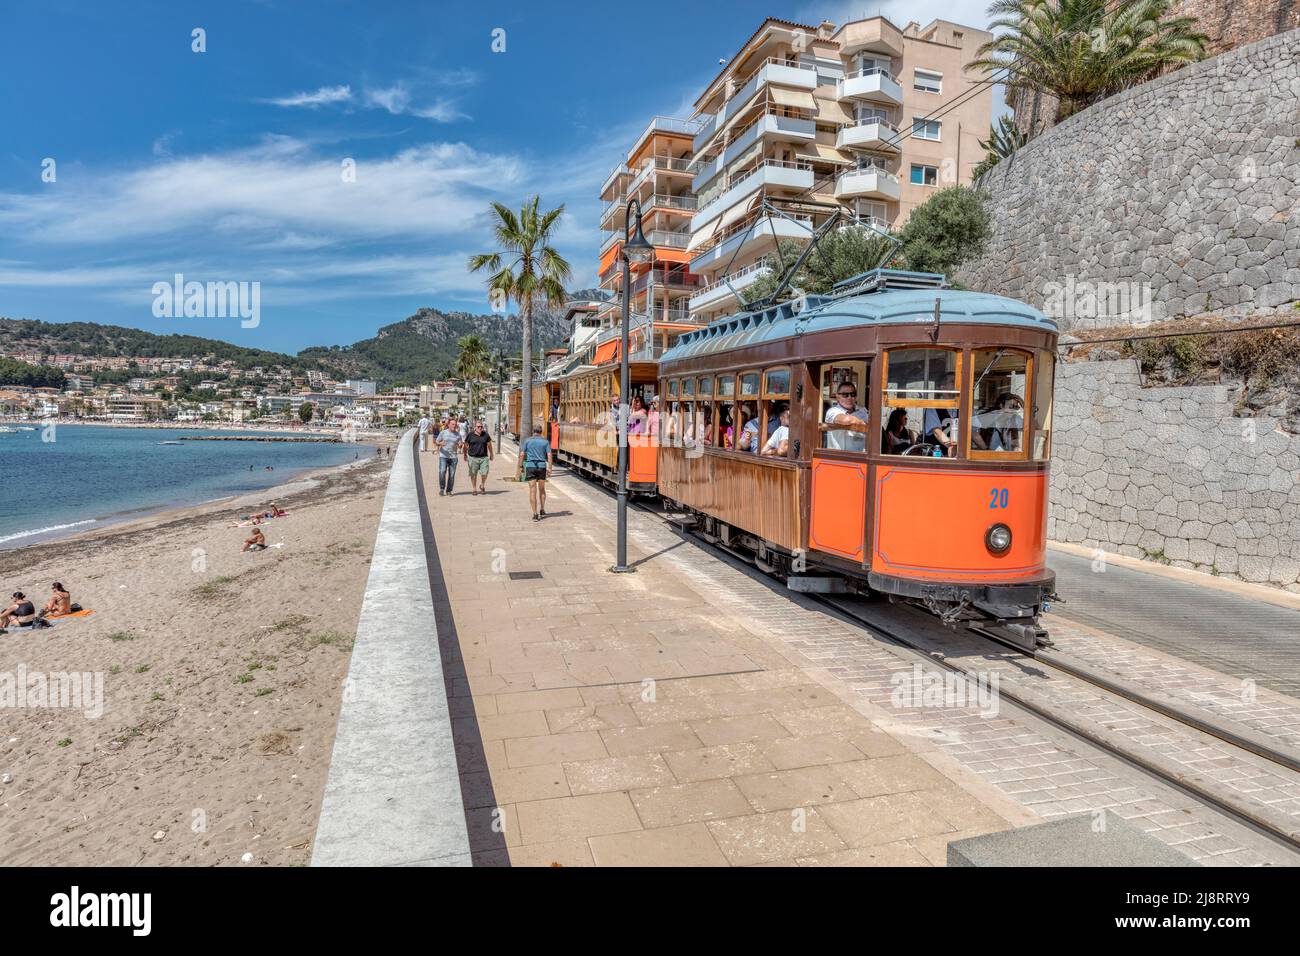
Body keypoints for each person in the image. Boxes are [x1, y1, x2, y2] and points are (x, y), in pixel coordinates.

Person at [519, 424, 552, 521]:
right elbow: (549, 455)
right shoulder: (545, 442)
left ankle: (535, 513)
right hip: (542, 467)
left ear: (533, 431)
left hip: (530, 466)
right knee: (542, 489)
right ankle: (542, 509)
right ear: (541, 432)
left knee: (533, 490)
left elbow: (522, 454)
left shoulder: (527, 441)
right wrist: (550, 468)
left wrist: (521, 466)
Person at [923, 371, 959, 456]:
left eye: (957, 382)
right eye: (952, 382)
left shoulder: (963, 407)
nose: (957, 385)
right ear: (943, 387)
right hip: (937, 456)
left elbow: (973, 432)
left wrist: (986, 449)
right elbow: (937, 432)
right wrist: (952, 447)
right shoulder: (933, 407)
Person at [824, 381, 868, 451]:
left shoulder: (862, 411)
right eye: (845, 395)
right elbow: (846, 420)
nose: (850, 397)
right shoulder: (832, 411)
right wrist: (863, 423)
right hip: (839, 458)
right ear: (837, 397)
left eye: (853, 394)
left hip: (861, 457)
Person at [463, 420, 494, 495]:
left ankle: (482, 485)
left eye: (481, 427)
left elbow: (489, 445)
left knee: (485, 473)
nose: (480, 428)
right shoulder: (470, 435)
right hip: (473, 457)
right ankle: (474, 489)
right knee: (473, 474)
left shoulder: (485, 435)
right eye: (478, 427)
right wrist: (464, 454)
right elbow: (466, 445)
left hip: (484, 457)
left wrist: (491, 454)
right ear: (475, 428)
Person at [435, 419, 463, 495]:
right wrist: (440, 443)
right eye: (453, 424)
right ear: (448, 425)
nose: (454, 426)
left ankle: (449, 490)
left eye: (455, 424)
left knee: (452, 474)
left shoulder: (458, 434)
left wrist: (460, 445)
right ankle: (441, 489)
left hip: (453, 457)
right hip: (443, 456)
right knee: (442, 471)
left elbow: (460, 445)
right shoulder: (443, 433)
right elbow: (437, 441)